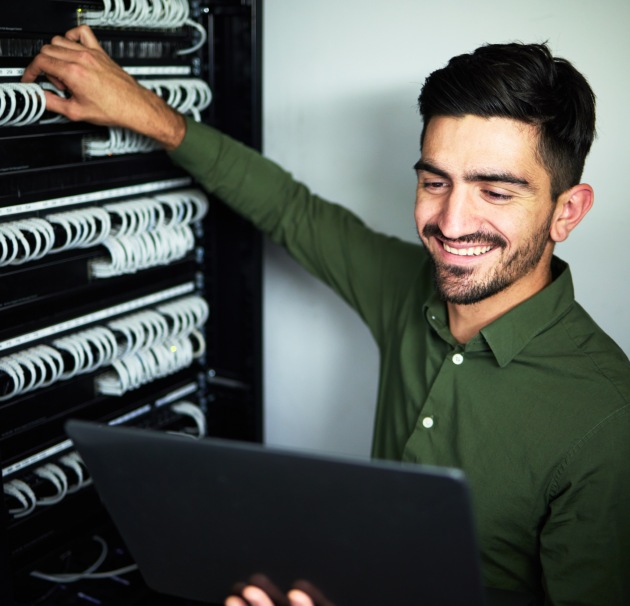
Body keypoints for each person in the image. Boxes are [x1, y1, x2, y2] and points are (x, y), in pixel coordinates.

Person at [23, 26, 630, 606]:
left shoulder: (606, 420)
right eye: (435, 182)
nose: (450, 223)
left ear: (566, 211)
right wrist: (137, 107)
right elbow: (292, 210)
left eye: (496, 192)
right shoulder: (408, 285)